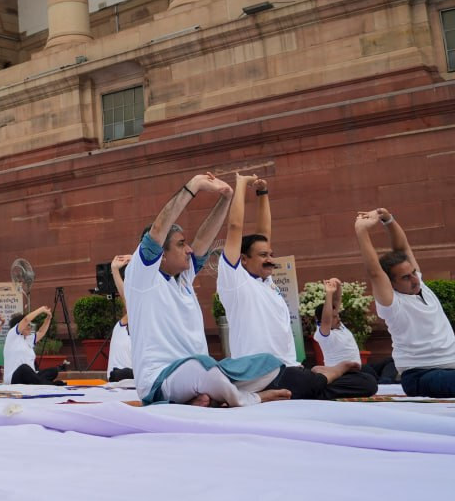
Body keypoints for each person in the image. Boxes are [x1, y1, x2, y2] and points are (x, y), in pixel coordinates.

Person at [126, 173, 291, 407]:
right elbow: (160, 227)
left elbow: (204, 238)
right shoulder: (143, 277)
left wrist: (226, 199)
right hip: (160, 380)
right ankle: (248, 398)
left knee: (270, 364)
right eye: (181, 244)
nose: (189, 249)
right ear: (161, 254)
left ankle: (206, 398)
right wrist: (193, 186)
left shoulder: (183, 278)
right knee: (201, 368)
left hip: (202, 371)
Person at [217, 176, 373, 399]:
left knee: (366, 381)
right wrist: (241, 184)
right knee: (310, 382)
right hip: (260, 374)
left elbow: (264, 233)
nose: (270, 259)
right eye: (263, 255)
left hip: (289, 369)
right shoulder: (235, 280)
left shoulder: (267, 282)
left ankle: (307, 386)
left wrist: (263, 194)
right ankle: (328, 375)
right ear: (243, 259)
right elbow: (234, 227)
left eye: (271, 254)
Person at [355, 208, 455, 396]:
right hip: (421, 376)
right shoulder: (393, 305)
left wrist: (388, 219)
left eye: (413, 273)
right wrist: (361, 230)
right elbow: (375, 272)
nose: (415, 279)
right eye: (406, 278)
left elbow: (402, 248)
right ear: (391, 283)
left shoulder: (419, 285)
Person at [3, 307, 62, 385]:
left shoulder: (28, 339)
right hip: (14, 377)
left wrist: (48, 318)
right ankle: (48, 384)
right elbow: (26, 320)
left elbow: (41, 332)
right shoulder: (12, 335)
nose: (30, 327)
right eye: (28, 325)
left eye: (30, 325)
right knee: (24, 368)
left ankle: (42, 383)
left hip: (30, 376)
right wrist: (41, 309)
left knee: (53, 371)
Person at [108, 255, 134, 382]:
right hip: (116, 379)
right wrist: (115, 270)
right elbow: (125, 297)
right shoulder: (128, 319)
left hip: (130, 379)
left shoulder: (142, 320)